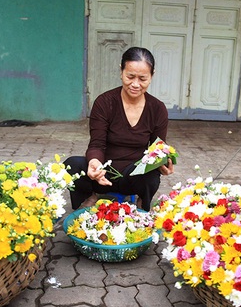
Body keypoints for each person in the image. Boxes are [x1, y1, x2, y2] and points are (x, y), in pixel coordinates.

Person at [65, 46, 174, 211]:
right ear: (121, 72)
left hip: (134, 174)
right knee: (71, 165)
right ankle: (90, 196)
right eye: (130, 76)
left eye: (142, 79)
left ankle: (142, 202)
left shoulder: (157, 108)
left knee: (151, 175)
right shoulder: (105, 102)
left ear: (152, 76)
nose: (135, 84)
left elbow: (157, 148)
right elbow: (97, 144)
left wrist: (163, 162)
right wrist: (95, 163)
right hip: (103, 173)